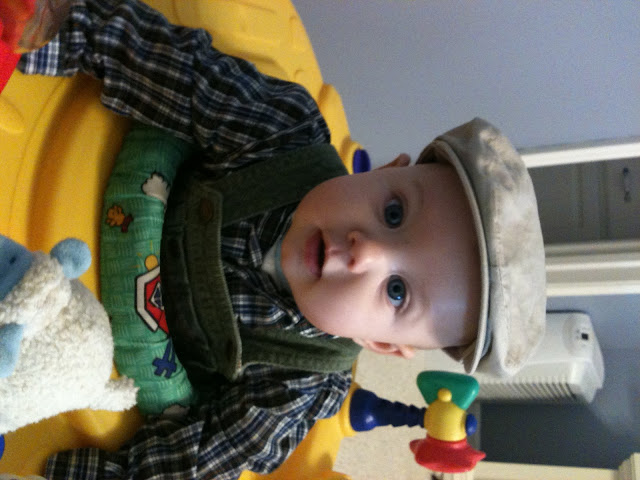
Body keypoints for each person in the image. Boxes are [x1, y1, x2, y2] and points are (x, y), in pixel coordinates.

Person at [15, 0, 547, 478]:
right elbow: (167, 66)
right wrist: (46, 29)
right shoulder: (282, 133)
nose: (366, 250)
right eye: (393, 212)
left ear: (380, 344)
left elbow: (195, 461)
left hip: (89, 353)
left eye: (397, 292)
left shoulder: (298, 385)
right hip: (79, 184)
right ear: (386, 169)